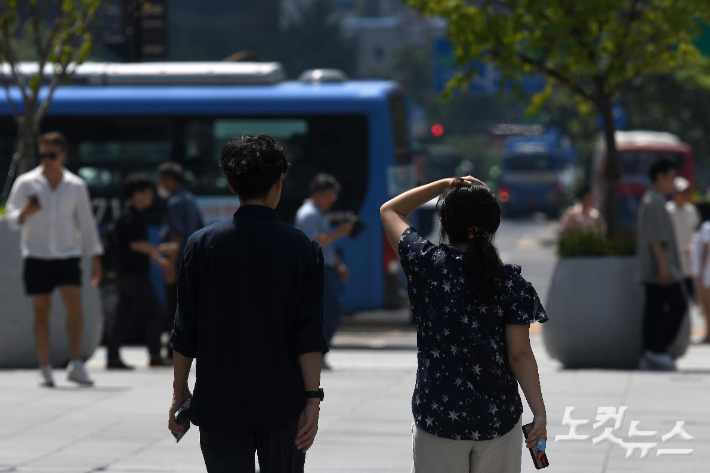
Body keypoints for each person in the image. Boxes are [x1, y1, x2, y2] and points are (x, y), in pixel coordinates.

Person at [167, 135, 328, 473]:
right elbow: (308, 335)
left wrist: (179, 390)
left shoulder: (201, 245)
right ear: (279, 181)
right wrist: (312, 401)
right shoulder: (304, 250)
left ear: (230, 183)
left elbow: (186, 330)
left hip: (219, 403)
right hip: (283, 405)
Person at [381, 176, 548, 473]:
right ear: (493, 225)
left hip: (439, 418)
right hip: (499, 420)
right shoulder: (511, 282)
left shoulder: (426, 264)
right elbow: (519, 354)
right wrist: (539, 412)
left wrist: (444, 184)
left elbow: (390, 211)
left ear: (443, 220)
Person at [5, 131, 103, 387]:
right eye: (43, 154)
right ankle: (45, 367)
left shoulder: (76, 185)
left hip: (67, 254)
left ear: (62, 155)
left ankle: (76, 364)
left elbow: (86, 223)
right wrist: (24, 213)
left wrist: (95, 255)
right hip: (36, 254)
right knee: (41, 310)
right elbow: (12, 218)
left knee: (75, 307)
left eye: (51, 155)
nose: (46, 159)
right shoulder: (26, 182)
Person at [106, 173, 173, 369]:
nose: (151, 196)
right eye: (148, 192)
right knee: (153, 311)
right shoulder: (130, 216)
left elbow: (141, 246)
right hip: (132, 274)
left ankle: (113, 357)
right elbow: (136, 244)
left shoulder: (134, 215)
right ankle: (154, 355)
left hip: (127, 274)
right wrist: (160, 250)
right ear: (137, 194)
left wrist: (159, 260)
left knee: (122, 316)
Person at [295, 173, 353, 365]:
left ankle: (317, 352)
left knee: (327, 311)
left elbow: (326, 245)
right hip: (316, 270)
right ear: (318, 193)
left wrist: (338, 264)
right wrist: (339, 232)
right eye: (330, 196)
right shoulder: (309, 213)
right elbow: (315, 240)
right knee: (330, 310)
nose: (332, 201)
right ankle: (317, 353)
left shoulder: (318, 212)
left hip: (326, 268)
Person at [637, 158, 687, 371]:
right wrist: (664, 266)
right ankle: (656, 349)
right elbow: (656, 239)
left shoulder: (653, 200)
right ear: (660, 177)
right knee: (678, 304)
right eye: (671, 177)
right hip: (660, 269)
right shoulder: (655, 202)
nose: (673, 182)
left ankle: (649, 353)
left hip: (656, 268)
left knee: (654, 310)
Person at [155, 162, 204, 358]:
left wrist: (170, 267)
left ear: (169, 180)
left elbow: (176, 237)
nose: (159, 185)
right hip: (191, 261)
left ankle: (172, 350)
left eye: (160, 181)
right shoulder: (190, 199)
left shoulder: (175, 202)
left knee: (173, 308)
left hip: (177, 262)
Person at [666, 176, 700, 300]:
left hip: (690, 265)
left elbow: (697, 234)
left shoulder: (692, 211)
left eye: (685, 191)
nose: (683, 195)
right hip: (673, 265)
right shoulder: (667, 210)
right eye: (680, 191)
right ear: (674, 192)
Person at [692, 220, 710, 343]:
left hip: (706, 275)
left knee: (707, 306)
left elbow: (705, 250)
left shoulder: (706, 227)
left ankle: (709, 335)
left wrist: (700, 273)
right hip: (706, 274)